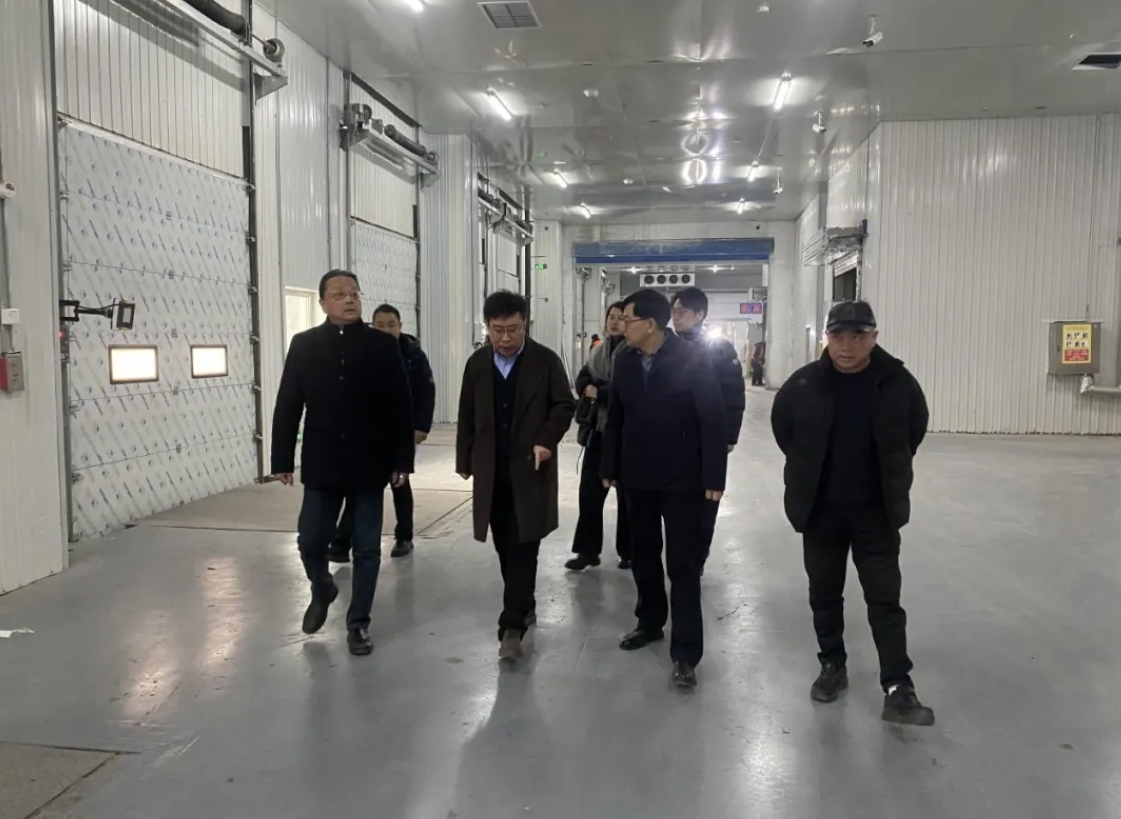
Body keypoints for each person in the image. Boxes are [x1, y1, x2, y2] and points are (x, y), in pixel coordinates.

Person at [770, 300, 934, 726]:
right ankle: (832, 664)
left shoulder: (897, 383)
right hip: (821, 513)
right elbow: (784, 431)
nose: (846, 345)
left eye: (857, 336)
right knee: (824, 593)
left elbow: (914, 430)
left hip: (876, 514)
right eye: (837, 335)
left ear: (874, 337)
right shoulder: (804, 384)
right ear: (826, 337)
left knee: (884, 598)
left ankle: (897, 686)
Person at [272, 270, 414, 657]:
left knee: (366, 548)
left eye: (354, 293)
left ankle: (358, 623)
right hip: (323, 463)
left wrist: (402, 459)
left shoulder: (382, 346)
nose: (349, 299)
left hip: (370, 463)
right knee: (310, 541)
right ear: (323, 303)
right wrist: (282, 458)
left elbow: (400, 405)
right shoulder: (305, 345)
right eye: (339, 294)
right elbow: (288, 402)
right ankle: (322, 587)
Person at [602, 289, 728, 688]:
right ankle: (650, 622)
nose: (622, 326)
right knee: (643, 554)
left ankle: (686, 653)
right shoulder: (624, 360)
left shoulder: (693, 359)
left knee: (682, 565)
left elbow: (712, 419)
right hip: (637, 476)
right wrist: (609, 466)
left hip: (682, 478)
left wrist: (714, 477)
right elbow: (615, 418)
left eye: (628, 320)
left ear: (650, 324)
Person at [455, 290, 575, 661]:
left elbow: (564, 404)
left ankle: (511, 626)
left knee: (526, 544)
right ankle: (524, 602)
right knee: (505, 545)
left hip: (531, 470)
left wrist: (545, 440)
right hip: (492, 471)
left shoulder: (545, 361)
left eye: (513, 329)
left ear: (525, 325)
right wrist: (465, 459)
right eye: (497, 330)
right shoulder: (478, 363)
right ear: (487, 327)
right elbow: (467, 413)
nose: (505, 338)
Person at [331, 303, 436, 562]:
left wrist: (421, 426)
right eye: (380, 325)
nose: (386, 330)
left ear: (400, 326)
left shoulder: (413, 355)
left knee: (399, 482)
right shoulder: (362, 351)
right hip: (367, 432)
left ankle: (404, 536)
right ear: (372, 326)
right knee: (360, 485)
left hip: (401, 431)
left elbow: (426, 391)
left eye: (391, 325)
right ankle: (342, 542)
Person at [670, 287, 746, 572]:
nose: (676, 317)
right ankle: (679, 557)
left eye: (682, 311)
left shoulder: (719, 349)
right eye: (674, 311)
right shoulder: (667, 347)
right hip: (674, 441)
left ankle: (696, 559)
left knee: (706, 503)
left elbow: (734, 395)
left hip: (708, 441)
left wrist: (729, 437)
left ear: (700, 314)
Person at [567, 301, 632, 572]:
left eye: (621, 318)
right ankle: (588, 551)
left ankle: (629, 552)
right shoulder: (597, 352)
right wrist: (591, 387)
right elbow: (582, 379)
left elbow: (630, 390)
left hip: (626, 437)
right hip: (598, 435)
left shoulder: (636, 352)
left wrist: (601, 391)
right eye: (611, 317)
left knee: (628, 500)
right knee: (589, 497)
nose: (614, 322)